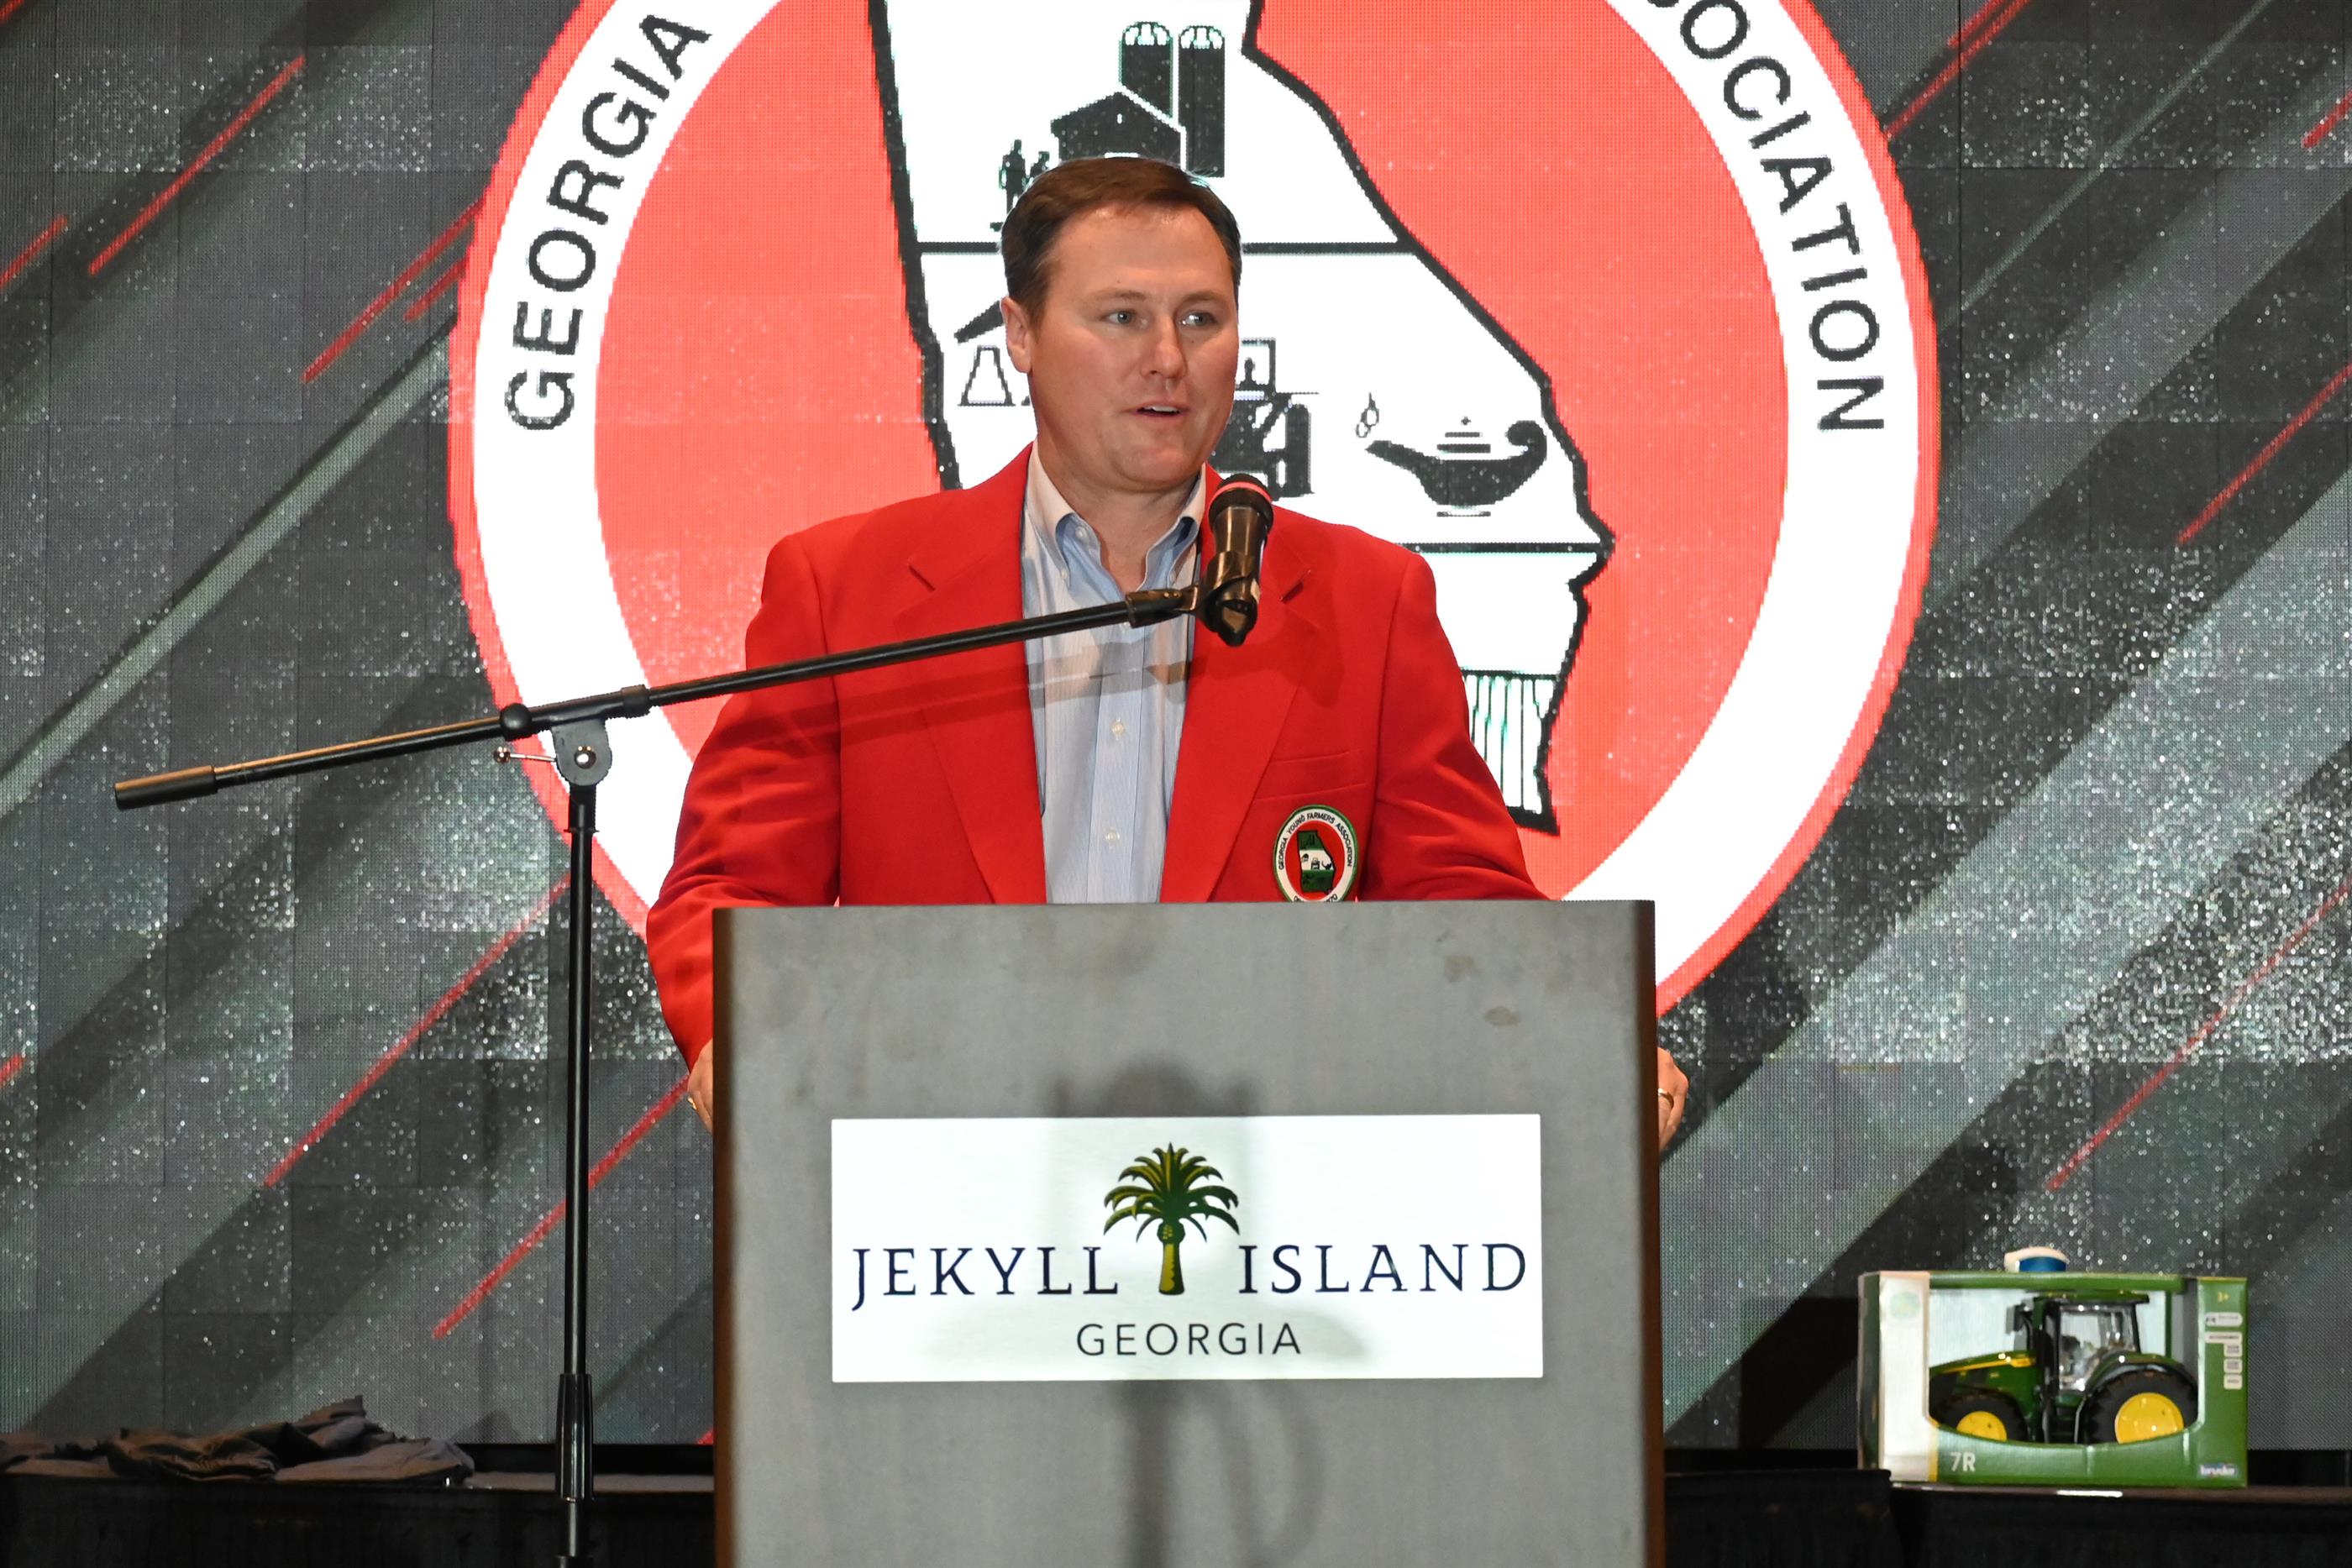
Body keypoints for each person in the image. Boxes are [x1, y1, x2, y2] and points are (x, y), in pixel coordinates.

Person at [644, 156, 1690, 1143]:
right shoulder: (849, 592)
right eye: (1121, 317)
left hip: (1263, 1186)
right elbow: (731, 889)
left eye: (1201, 318)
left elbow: (1457, 900)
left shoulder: (1364, 600)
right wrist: (741, 1033)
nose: (1167, 359)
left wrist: (1584, 1038)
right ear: (1019, 333)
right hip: (938, 1163)